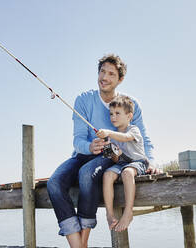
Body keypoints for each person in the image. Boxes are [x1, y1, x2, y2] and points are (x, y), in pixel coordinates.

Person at [46, 54, 157, 248]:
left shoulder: (131, 104)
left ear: (120, 79)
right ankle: (77, 245)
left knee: (86, 173)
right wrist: (89, 146)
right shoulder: (83, 100)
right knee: (54, 183)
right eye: (102, 72)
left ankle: (84, 240)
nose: (104, 77)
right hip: (83, 154)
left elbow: (143, 137)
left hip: (111, 156)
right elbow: (78, 138)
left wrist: (152, 161)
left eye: (111, 74)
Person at [96, 95, 149, 232]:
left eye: (117, 113)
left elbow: (125, 138)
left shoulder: (133, 130)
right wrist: (113, 152)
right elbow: (114, 160)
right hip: (122, 163)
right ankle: (109, 214)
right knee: (107, 175)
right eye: (111, 114)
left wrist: (108, 133)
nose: (113, 117)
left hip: (138, 162)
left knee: (127, 172)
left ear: (129, 116)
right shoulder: (112, 136)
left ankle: (128, 212)